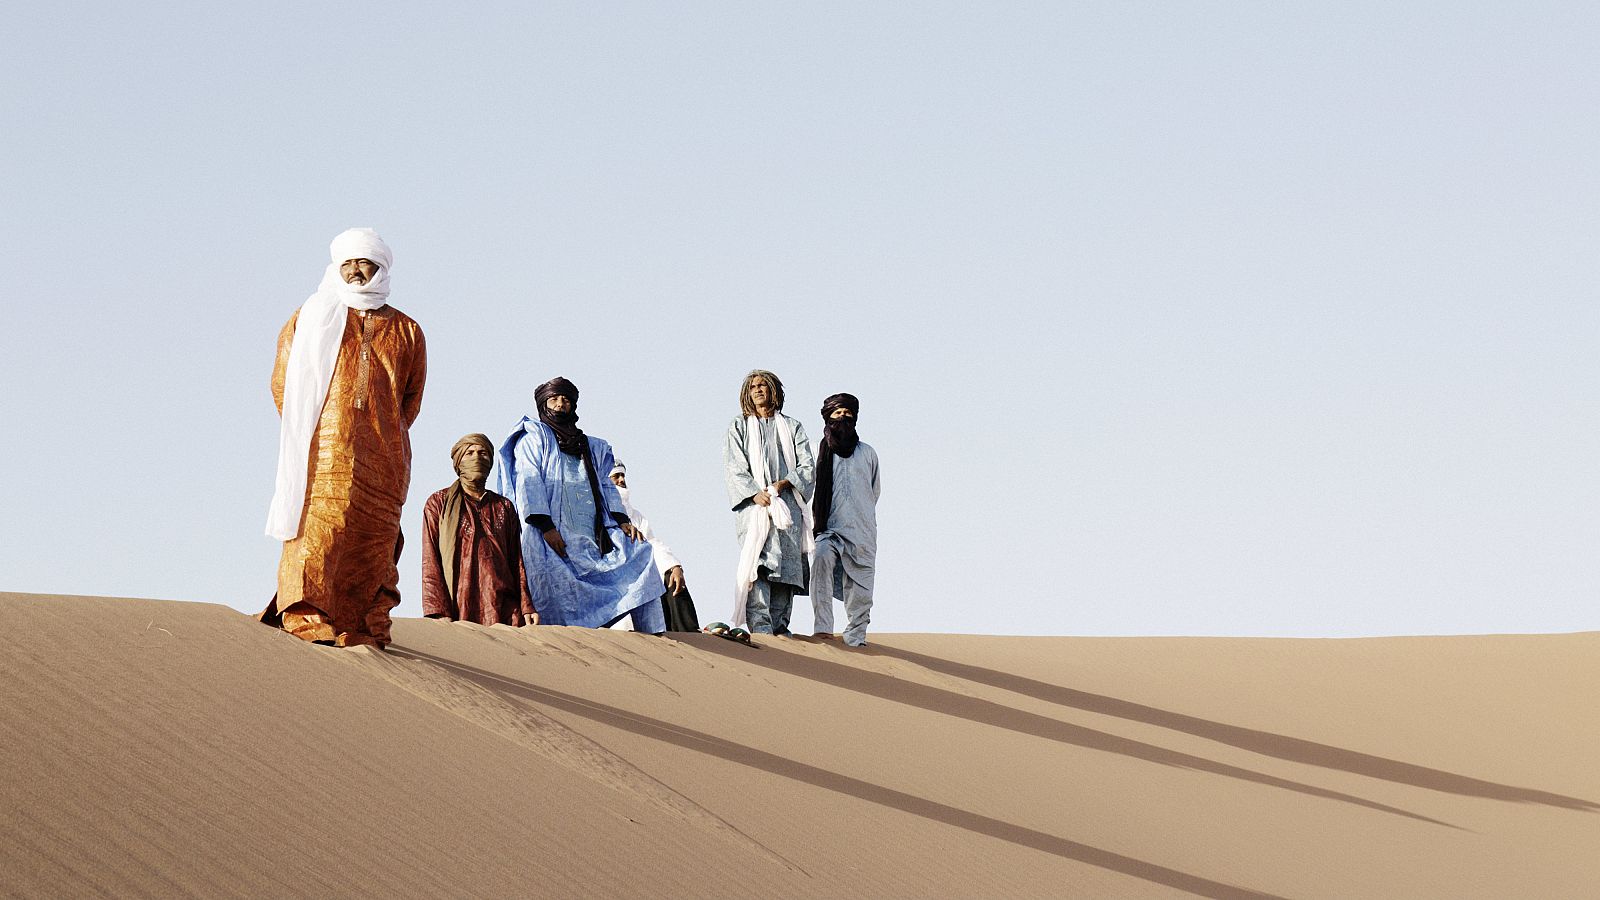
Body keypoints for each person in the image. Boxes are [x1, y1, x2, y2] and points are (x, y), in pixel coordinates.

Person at [262, 227, 426, 648]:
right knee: (319, 528)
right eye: (348, 262)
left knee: (374, 536)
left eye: (364, 261)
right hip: (324, 450)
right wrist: (319, 430)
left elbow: (410, 399)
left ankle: (363, 624)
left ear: (380, 267)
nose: (356, 269)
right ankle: (304, 615)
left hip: (385, 456)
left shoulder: (408, 330)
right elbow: (284, 386)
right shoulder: (310, 317)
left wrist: (380, 432)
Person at [495, 377, 665, 632]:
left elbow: (606, 485)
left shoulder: (591, 446)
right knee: (551, 584)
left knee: (639, 553)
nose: (560, 405)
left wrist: (622, 520)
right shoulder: (534, 439)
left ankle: (653, 633)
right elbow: (528, 482)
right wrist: (545, 525)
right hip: (549, 534)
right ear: (543, 404)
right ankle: (558, 641)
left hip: (593, 533)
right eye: (554, 399)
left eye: (566, 400)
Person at [723, 369, 815, 636]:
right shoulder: (738, 427)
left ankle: (780, 627)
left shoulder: (793, 427)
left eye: (763, 385)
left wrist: (782, 485)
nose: (759, 390)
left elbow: (807, 467)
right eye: (753, 387)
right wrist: (754, 493)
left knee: (787, 566)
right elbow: (734, 468)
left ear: (774, 391)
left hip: (788, 507)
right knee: (759, 565)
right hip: (755, 509)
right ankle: (761, 628)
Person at [421, 434, 537, 626]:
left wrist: (526, 605)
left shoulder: (504, 506)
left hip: (504, 606)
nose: (477, 458)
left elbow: (517, 561)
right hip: (459, 604)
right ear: (458, 462)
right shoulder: (438, 503)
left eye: (483, 453)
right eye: (469, 453)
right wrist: (437, 610)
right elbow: (430, 559)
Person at [809, 393, 881, 647]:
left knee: (861, 586)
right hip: (830, 529)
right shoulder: (820, 452)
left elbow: (874, 491)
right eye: (837, 413)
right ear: (828, 417)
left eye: (847, 413)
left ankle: (856, 636)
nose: (843, 417)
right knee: (821, 562)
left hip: (862, 531)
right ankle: (823, 628)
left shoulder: (868, 453)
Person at [608, 461, 699, 633]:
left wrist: (674, 565)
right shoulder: (601, 515)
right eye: (615, 477)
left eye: (623, 476)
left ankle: (690, 635)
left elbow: (652, 543)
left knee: (671, 576)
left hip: (646, 570)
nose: (621, 480)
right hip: (620, 580)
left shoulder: (636, 516)